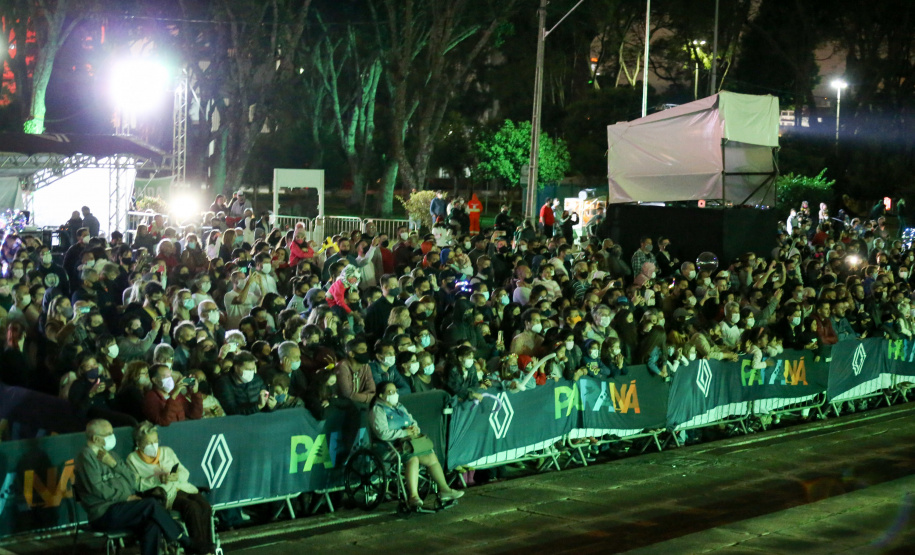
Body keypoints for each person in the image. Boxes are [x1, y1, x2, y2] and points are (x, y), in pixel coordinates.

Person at [74, 419, 193, 555]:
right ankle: (184, 540)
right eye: (109, 434)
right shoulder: (85, 458)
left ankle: (183, 540)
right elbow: (98, 489)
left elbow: (131, 480)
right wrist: (126, 497)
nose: (113, 437)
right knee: (150, 504)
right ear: (96, 438)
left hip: (123, 509)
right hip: (104, 513)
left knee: (151, 524)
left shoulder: (111, 455)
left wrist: (114, 464)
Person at [369, 381, 464, 509]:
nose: (394, 394)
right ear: (381, 395)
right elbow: (382, 433)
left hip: (409, 444)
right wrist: (404, 432)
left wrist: (414, 429)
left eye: (395, 391)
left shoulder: (400, 407)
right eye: (390, 392)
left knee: (431, 457)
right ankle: (413, 496)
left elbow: (413, 421)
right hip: (389, 447)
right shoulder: (378, 410)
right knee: (412, 459)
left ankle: (445, 490)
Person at [127, 421, 215, 555]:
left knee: (205, 506)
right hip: (165, 494)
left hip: (183, 487)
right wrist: (156, 480)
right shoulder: (132, 459)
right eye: (149, 443)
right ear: (138, 444)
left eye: (155, 441)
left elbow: (185, 473)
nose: (154, 445)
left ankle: (208, 547)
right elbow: (136, 484)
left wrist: (177, 476)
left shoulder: (167, 451)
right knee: (191, 508)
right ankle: (196, 549)